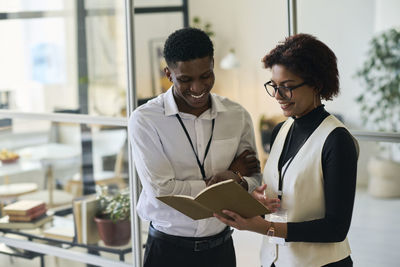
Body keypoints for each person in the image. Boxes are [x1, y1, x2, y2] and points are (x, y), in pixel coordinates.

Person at [214, 33, 359, 267]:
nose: (278, 96)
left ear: (317, 84)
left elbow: (336, 228)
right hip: (273, 261)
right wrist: (259, 206)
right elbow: (284, 202)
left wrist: (264, 227)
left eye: (288, 87)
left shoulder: (336, 140)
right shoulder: (281, 130)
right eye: (275, 86)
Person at [128, 27, 262, 267]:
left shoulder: (237, 115)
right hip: (167, 252)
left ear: (212, 65)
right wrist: (227, 181)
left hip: (221, 250)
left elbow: (254, 179)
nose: (198, 88)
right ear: (168, 73)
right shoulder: (146, 120)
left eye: (206, 76)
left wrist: (239, 178)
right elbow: (162, 192)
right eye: (185, 80)